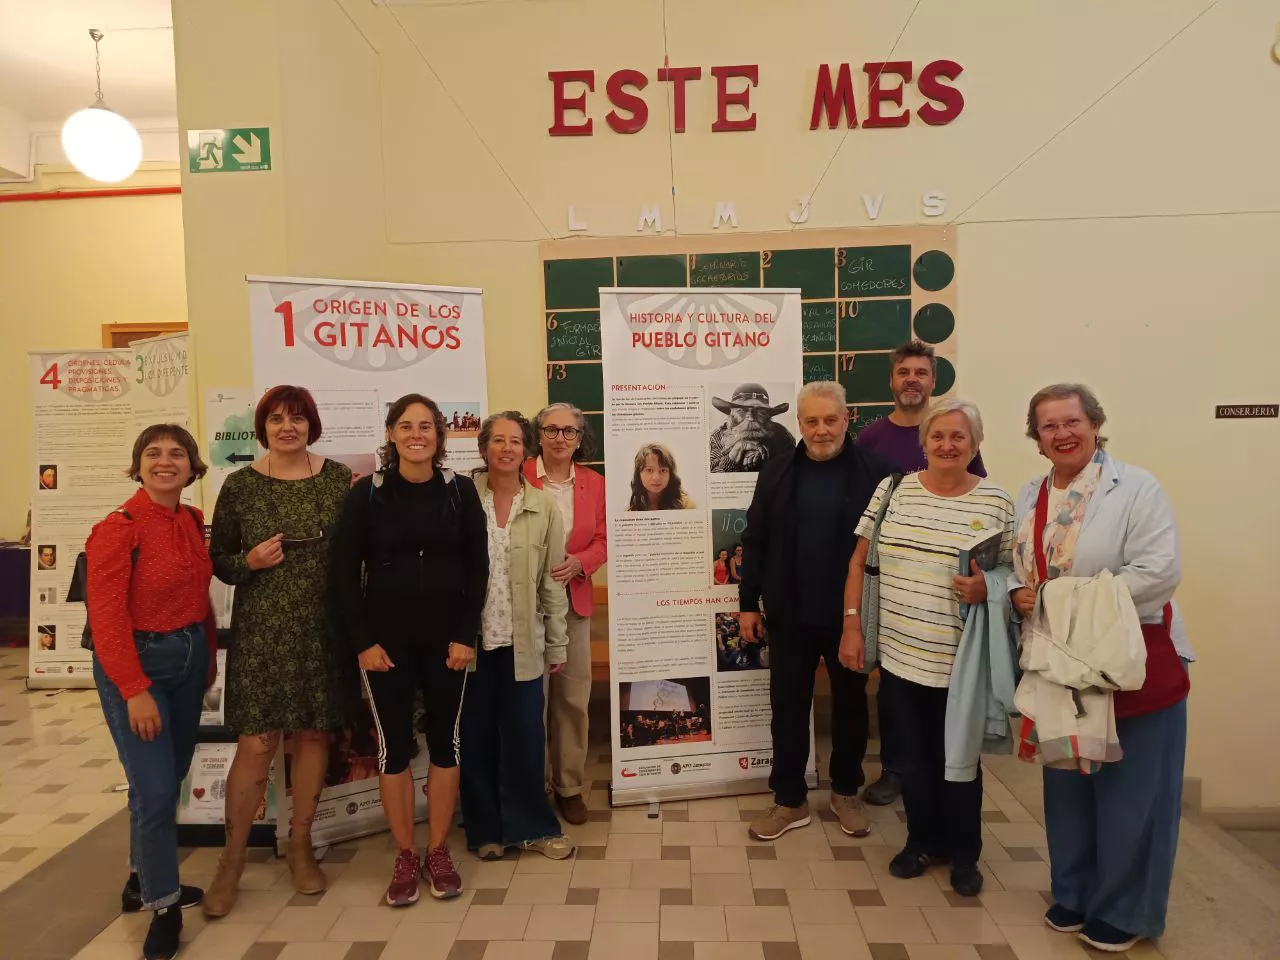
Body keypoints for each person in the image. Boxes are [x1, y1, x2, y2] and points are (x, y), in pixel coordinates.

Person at [1009, 384, 1190, 953]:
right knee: (1068, 784)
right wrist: (1019, 591)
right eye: (1048, 426)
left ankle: (1127, 909)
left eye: (1072, 422)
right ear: (1036, 440)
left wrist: (1061, 597)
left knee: (1133, 794)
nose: (1062, 434)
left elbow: (1159, 571)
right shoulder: (1030, 494)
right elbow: (1020, 566)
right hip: (1057, 664)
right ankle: (1075, 892)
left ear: (1094, 424)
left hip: (1131, 661)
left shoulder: (1136, 487)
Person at [842, 398, 1015, 897]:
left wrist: (989, 588)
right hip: (899, 657)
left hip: (960, 662)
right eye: (937, 436)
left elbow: (1013, 572)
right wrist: (852, 626)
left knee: (959, 761)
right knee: (913, 760)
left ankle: (963, 854)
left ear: (975, 445)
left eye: (959, 436)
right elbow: (859, 562)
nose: (947, 445)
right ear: (924, 443)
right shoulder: (893, 491)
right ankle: (920, 842)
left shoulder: (996, 501)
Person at [331, 393, 488, 907]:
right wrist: (363, 643)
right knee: (392, 747)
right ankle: (405, 853)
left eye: (426, 426)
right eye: (406, 425)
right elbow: (344, 576)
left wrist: (467, 635)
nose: (416, 434)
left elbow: (478, 569)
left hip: (449, 644)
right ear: (392, 434)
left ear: (440, 435)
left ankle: (438, 849)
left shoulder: (460, 491)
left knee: (447, 743)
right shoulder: (367, 495)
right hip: (386, 645)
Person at [204, 386, 355, 917]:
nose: (286, 427)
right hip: (263, 633)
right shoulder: (240, 486)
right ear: (262, 426)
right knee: (257, 744)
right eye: (275, 418)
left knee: (313, 735)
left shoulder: (337, 478)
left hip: (322, 629)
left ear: (311, 424)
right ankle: (232, 861)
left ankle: (300, 846)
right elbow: (218, 560)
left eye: (296, 418)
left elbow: (357, 550)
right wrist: (250, 562)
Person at [739, 381, 893, 842]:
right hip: (789, 615)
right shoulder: (776, 473)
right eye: (812, 421)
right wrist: (748, 604)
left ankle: (846, 792)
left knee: (850, 707)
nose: (821, 429)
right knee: (786, 710)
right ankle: (789, 800)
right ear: (800, 424)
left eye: (831, 420)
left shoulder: (881, 474)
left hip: (851, 619)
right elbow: (754, 541)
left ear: (847, 420)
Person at [85, 424, 217, 960]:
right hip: (136, 667)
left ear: (192, 466)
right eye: (154, 454)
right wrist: (134, 690)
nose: (166, 462)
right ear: (138, 464)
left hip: (188, 661)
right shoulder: (117, 529)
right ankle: (162, 905)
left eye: (177, 454)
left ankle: (141, 874)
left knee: (170, 774)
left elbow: (198, 597)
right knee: (157, 789)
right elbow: (107, 619)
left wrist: (204, 660)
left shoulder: (190, 519)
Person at [854, 340, 987, 806]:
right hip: (894, 592)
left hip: (946, 603)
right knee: (893, 688)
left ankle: (948, 774)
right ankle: (894, 769)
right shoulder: (869, 440)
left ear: (934, 381)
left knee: (944, 699)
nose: (912, 380)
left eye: (921, 373)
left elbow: (980, 505)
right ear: (891, 381)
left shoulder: (956, 431)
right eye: (903, 372)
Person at [463, 411, 575, 861]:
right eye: (498, 441)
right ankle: (485, 831)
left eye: (515, 441)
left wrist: (558, 641)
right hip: (468, 645)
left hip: (523, 643)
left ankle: (533, 827)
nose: (507, 448)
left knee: (526, 736)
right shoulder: (463, 499)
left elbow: (552, 581)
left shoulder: (544, 506)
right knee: (475, 738)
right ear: (484, 447)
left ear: (527, 450)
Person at [523, 402, 607, 826]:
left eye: (568, 432)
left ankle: (570, 787)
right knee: (528, 702)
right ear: (537, 435)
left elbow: (605, 541)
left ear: (579, 438)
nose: (559, 438)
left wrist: (581, 562)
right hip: (524, 607)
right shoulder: (516, 476)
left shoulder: (595, 483)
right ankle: (532, 788)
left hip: (573, 604)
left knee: (572, 700)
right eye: (551, 430)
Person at [709, 383, 795, 473]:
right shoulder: (716, 438)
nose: (751, 417)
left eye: (759, 411)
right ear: (731, 413)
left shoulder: (781, 434)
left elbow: (794, 470)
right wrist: (735, 453)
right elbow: (713, 479)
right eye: (741, 410)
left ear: (767, 416)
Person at [627, 443, 695, 510]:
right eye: (649, 470)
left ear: (670, 475)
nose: (656, 477)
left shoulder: (687, 507)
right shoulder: (631, 511)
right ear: (638, 474)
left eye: (663, 470)